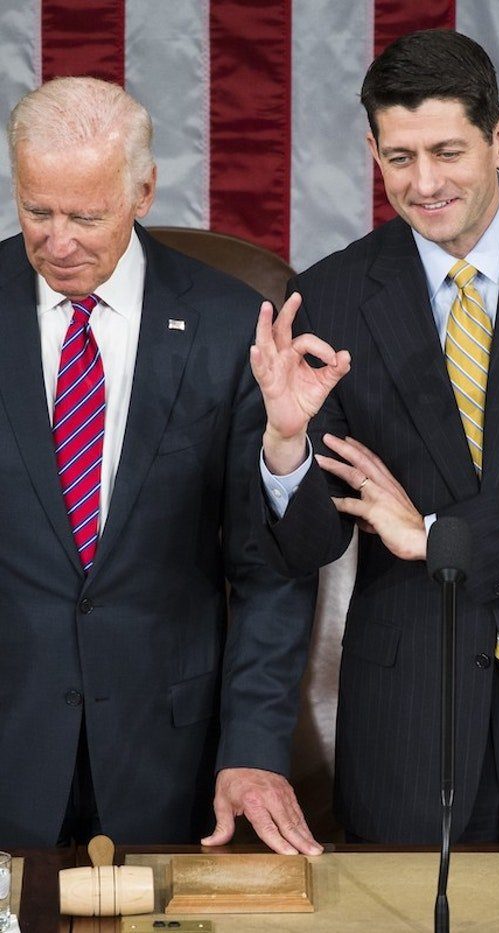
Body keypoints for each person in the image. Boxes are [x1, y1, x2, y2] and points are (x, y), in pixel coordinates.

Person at [252, 29, 499, 843]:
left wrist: (439, 535)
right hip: (409, 725)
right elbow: (307, 545)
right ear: (372, 151)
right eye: (400, 157)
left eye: (448, 152)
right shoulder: (332, 293)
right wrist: (285, 444)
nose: (425, 183)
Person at [0, 75, 322, 854]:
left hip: (171, 765)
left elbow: (270, 573)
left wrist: (253, 747)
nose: (58, 242)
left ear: (142, 192)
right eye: (37, 211)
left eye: (85, 216)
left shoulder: (228, 327)